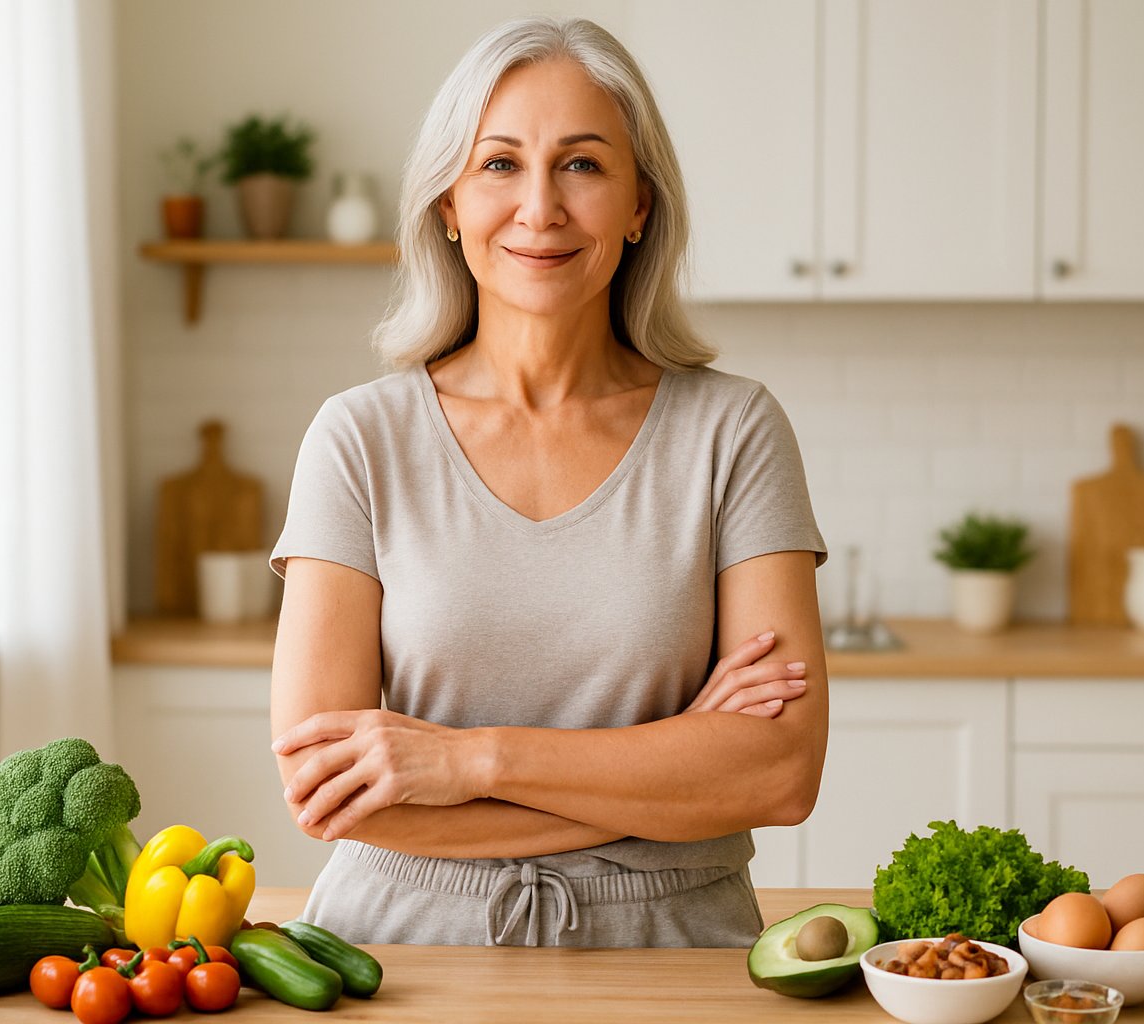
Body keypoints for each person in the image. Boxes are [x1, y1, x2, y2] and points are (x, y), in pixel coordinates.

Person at [267, 15, 828, 949]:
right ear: (448, 202)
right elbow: (332, 792)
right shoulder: (358, 438)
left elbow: (779, 775)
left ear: (640, 205)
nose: (540, 207)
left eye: (583, 164)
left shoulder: (734, 430)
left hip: (674, 958)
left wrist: (466, 760)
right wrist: (670, 774)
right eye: (498, 164)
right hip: (396, 960)